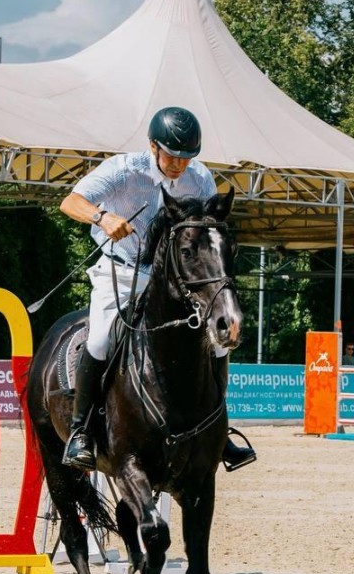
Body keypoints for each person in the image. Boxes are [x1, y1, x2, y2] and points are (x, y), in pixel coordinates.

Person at [58, 106, 255, 472]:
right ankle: (81, 431)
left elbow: (207, 227)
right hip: (121, 270)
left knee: (215, 342)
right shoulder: (122, 170)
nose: (179, 164)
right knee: (100, 340)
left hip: (173, 282)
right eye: (172, 155)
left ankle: (218, 431)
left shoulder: (200, 178)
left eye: (186, 157)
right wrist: (103, 217)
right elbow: (70, 201)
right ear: (152, 145)